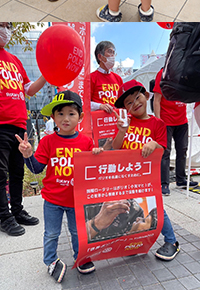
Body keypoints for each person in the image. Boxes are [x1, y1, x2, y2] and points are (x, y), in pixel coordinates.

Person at [17, 93, 101, 281]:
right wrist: (28, 155)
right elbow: (37, 168)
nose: (65, 118)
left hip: (76, 200)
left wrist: (96, 155)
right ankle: (50, 261)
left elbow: (92, 172)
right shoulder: (47, 141)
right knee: (51, 233)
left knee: (77, 231)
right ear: (53, 117)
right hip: (53, 200)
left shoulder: (86, 142)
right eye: (60, 113)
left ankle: (81, 258)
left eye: (71, 114)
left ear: (80, 117)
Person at [0, 22, 47, 236]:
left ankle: (17, 210)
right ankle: (5, 217)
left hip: (19, 126)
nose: (6, 30)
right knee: (0, 173)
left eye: (8, 26)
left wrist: (47, 74)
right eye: (0, 25)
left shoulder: (14, 60)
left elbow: (28, 89)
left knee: (17, 172)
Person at [110, 80, 180, 260]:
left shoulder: (158, 123)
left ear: (146, 96)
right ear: (124, 108)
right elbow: (115, 148)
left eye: (137, 97)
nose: (135, 103)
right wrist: (121, 132)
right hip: (127, 179)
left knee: (157, 209)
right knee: (133, 210)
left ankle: (171, 241)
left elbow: (163, 148)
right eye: (129, 102)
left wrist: (154, 142)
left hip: (148, 178)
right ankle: (136, 242)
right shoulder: (125, 123)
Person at [153, 68, 197, 195]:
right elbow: (157, 99)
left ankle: (181, 180)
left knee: (182, 150)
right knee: (165, 152)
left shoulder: (185, 71)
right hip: (166, 121)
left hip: (182, 120)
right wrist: (158, 120)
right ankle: (164, 183)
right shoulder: (162, 73)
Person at [89, 40, 122, 118]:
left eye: (114, 53)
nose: (112, 56)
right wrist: (100, 106)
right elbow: (85, 102)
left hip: (116, 120)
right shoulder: (91, 78)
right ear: (100, 57)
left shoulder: (118, 78)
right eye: (110, 52)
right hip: (99, 121)